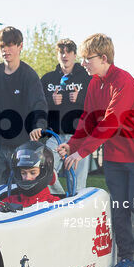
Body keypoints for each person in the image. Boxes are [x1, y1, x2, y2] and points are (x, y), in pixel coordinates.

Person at [57, 33, 134, 267]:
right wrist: (71, 144)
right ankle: (127, 260)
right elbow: (89, 119)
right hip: (114, 158)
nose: (83, 64)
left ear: (104, 58)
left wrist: (82, 151)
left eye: (88, 59)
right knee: (119, 207)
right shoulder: (94, 83)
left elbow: (111, 122)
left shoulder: (124, 81)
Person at [0, 27, 48, 193]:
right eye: (2, 46)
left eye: (9, 45)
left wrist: (38, 125)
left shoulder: (29, 75)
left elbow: (39, 103)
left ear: (20, 46)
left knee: (20, 191)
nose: (5, 50)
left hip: (22, 143)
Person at [41, 38, 91, 193]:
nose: (65, 55)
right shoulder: (47, 79)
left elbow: (97, 104)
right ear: (57, 55)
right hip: (54, 136)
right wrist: (51, 100)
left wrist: (80, 99)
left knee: (77, 181)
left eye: (68, 52)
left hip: (79, 135)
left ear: (75, 55)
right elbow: (37, 105)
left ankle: (75, 207)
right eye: (61, 52)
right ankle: (59, 200)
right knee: (44, 169)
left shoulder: (86, 77)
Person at [4, 140, 61, 209]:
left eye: (33, 173)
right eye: (23, 173)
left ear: (43, 173)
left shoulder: (53, 203)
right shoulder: (9, 201)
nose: (28, 178)